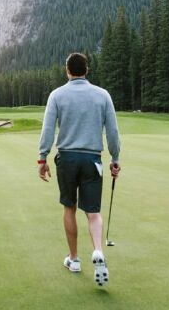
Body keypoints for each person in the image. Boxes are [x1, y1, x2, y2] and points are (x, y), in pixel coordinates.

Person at [37, 52, 121, 287]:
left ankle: (74, 259)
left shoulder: (57, 95)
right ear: (87, 70)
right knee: (93, 213)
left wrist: (42, 157)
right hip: (93, 159)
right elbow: (112, 132)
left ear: (67, 71)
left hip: (67, 159)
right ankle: (97, 251)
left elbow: (48, 130)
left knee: (69, 208)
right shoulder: (102, 95)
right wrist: (115, 157)